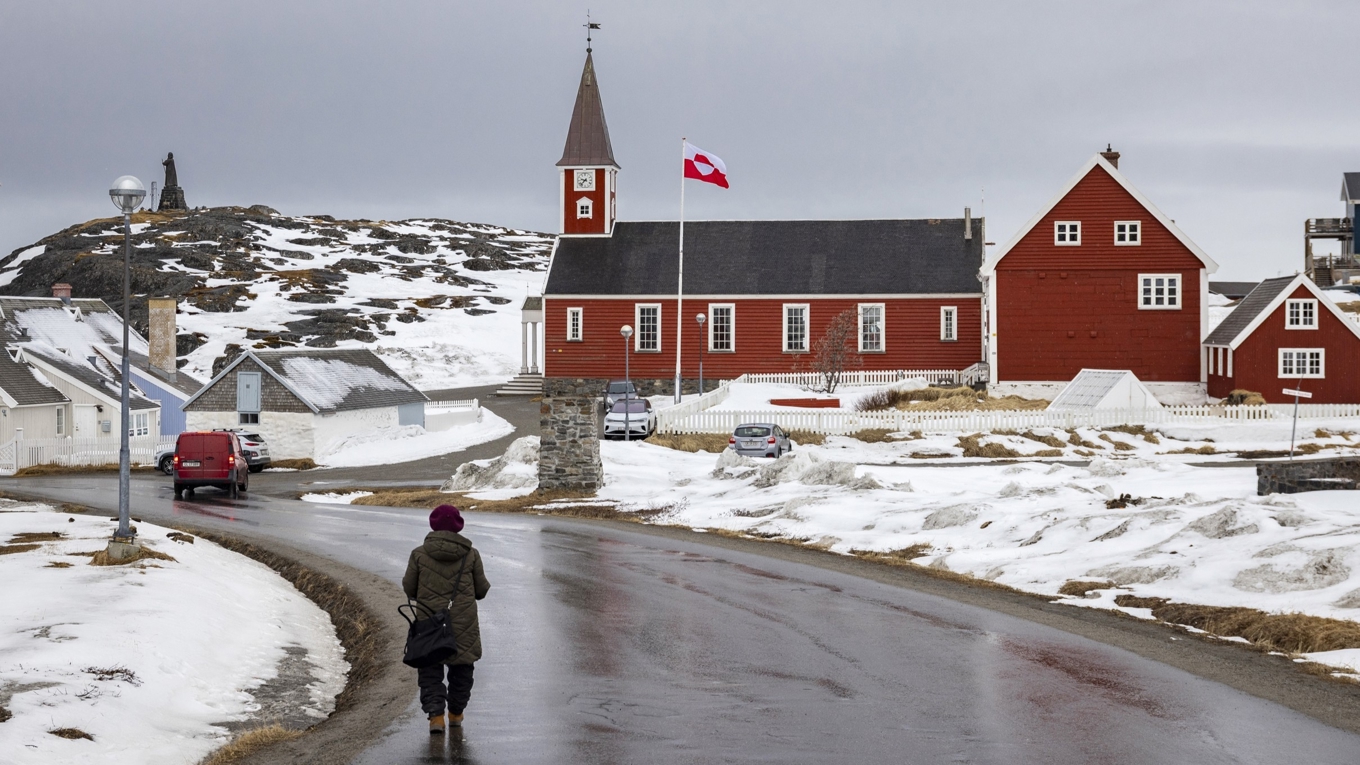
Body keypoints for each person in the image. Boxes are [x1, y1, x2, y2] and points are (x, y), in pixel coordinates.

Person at [402, 504, 490, 735]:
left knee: (430, 668)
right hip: (463, 624)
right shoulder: (471, 555)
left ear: (433, 524)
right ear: (458, 526)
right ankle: (456, 714)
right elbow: (481, 591)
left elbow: (409, 589)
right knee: (462, 669)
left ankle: (436, 718)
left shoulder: (419, 554)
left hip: (429, 624)